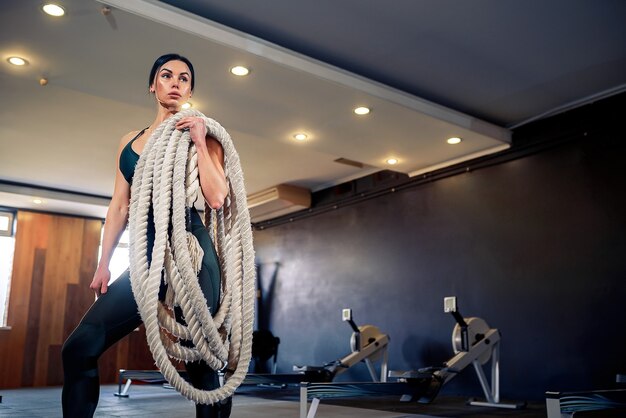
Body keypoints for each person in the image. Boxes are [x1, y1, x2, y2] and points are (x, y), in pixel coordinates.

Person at [62, 53, 231, 418]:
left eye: (184, 78)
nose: (175, 82)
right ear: (152, 85)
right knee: (79, 347)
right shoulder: (131, 140)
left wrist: (201, 142)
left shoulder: (204, 133)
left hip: (192, 253)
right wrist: (103, 264)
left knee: (201, 364)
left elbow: (216, 197)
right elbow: (119, 207)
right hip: (146, 257)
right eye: (166, 75)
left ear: (189, 90)